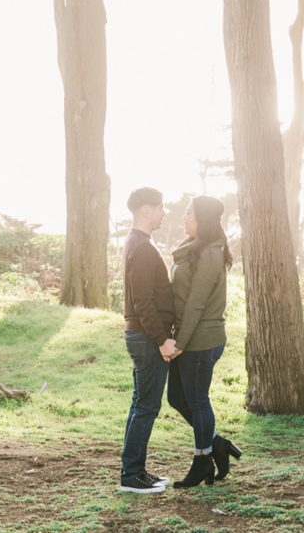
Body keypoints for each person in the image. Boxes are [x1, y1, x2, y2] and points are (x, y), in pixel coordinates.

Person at [164, 195, 239, 488]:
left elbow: (196, 303)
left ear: (202, 220)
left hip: (201, 339)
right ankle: (216, 445)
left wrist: (178, 343)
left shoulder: (210, 253)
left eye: (189, 213)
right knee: (177, 398)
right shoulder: (193, 249)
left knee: (196, 400)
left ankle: (202, 460)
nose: (184, 218)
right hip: (187, 337)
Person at [119, 186, 177, 494]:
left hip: (142, 336)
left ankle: (135, 470)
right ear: (146, 210)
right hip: (145, 337)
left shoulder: (138, 242)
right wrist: (162, 339)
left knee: (141, 404)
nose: (164, 212)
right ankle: (131, 476)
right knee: (146, 406)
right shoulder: (141, 246)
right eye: (161, 207)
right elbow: (142, 301)